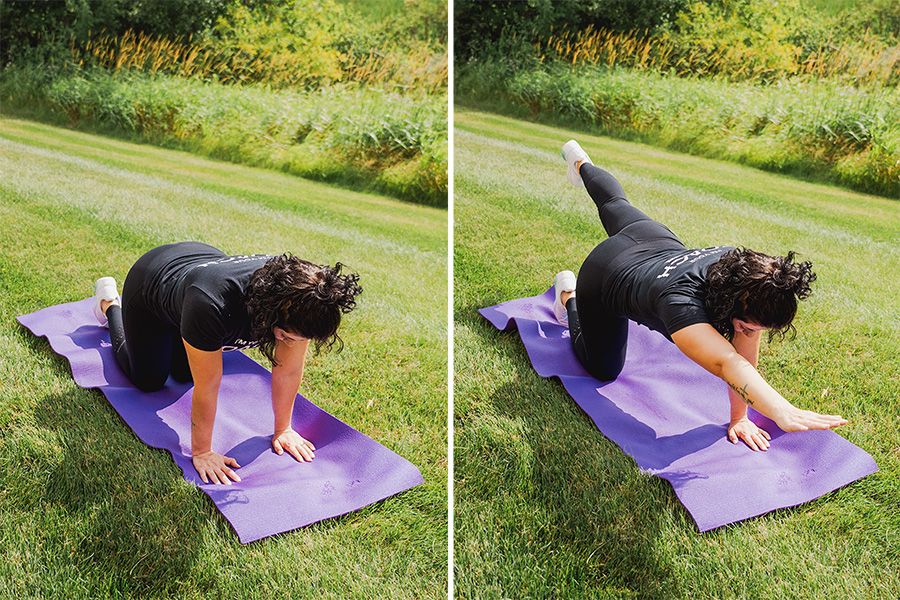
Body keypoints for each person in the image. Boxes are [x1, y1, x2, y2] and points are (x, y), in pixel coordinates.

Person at [554, 140, 847, 452]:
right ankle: (569, 296)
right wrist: (780, 410)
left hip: (652, 241)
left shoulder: (745, 273)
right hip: (605, 274)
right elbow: (727, 364)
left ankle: (580, 163)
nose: (749, 335)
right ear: (734, 305)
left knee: (614, 202)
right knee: (603, 370)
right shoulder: (680, 305)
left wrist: (740, 418)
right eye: (749, 327)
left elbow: (742, 357)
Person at [92, 241, 362, 485]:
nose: (291, 344)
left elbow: (288, 371)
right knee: (149, 379)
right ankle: (110, 305)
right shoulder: (214, 306)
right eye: (287, 336)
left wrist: (283, 429)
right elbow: (207, 387)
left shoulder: (306, 298)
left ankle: (180, 328)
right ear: (271, 312)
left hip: (196, 273)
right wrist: (202, 452)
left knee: (184, 373)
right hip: (151, 281)